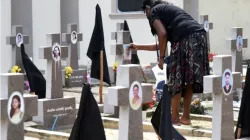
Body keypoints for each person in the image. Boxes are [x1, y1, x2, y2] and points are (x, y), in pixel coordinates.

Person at [129, 0, 210, 125]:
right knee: (190, 80)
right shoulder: (169, 12)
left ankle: (174, 119)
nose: (147, 17)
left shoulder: (154, 11)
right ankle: (186, 118)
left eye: (146, 13)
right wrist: (138, 46)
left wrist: (161, 59)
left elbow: (162, 34)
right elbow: (162, 42)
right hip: (200, 37)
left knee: (176, 80)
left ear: (147, 9)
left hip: (185, 39)